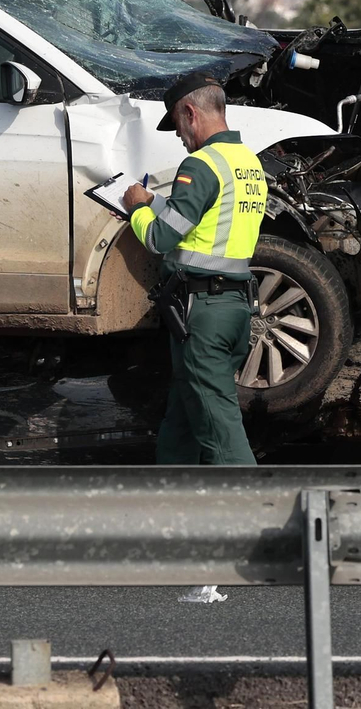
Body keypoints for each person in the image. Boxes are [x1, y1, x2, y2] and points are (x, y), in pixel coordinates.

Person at [123, 72, 266, 603]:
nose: (180, 139)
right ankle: (172, 536)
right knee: (182, 427)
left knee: (218, 428)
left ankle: (249, 542)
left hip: (203, 312)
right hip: (230, 309)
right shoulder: (248, 165)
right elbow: (204, 232)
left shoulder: (200, 164)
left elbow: (163, 238)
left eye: (178, 128)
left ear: (190, 114)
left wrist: (138, 203)